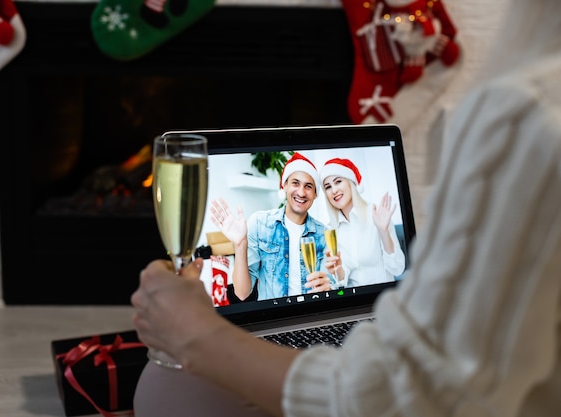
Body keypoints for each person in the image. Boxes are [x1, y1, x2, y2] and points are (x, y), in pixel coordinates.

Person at [131, 1, 561, 415]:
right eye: (302, 182)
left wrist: (196, 335)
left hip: (369, 330)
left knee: (164, 386)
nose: (308, 190)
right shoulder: (266, 223)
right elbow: (246, 296)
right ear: (283, 188)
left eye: (317, 183)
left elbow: (415, 395)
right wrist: (241, 246)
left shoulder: (528, 110)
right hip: (321, 324)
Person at [208, 151, 332, 301]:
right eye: (295, 183)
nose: (301, 192)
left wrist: (329, 288)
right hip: (275, 318)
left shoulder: (324, 234)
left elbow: (330, 285)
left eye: (308, 186)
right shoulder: (260, 224)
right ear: (284, 185)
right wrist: (240, 245)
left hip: (313, 316)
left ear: (315, 194)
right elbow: (242, 293)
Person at [319, 157, 405, 288]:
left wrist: (384, 231)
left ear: (351, 182)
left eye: (338, 182)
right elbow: (343, 281)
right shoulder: (331, 229)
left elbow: (397, 269)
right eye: (328, 187)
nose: (334, 190)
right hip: (354, 302)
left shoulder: (376, 214)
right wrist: (338, 268)